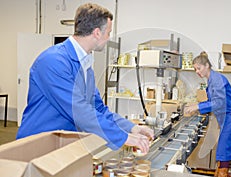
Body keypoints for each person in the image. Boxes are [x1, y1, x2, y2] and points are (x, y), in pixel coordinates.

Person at [17, 3, 153, 153]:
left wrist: (132, 128)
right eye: (108, 33)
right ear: (96, 33)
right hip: (37, 146)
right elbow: (80, 111)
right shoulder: (53, 61)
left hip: (63, 145)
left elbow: (97, 108)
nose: (109, 38)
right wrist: (124, 137)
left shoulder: (85, 65)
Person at [185, 52, 231, 177]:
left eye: (199, 68)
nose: (197, 72)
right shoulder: (211, 79)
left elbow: (218, 103)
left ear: (207, 65)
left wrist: (198, 107)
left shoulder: (217, 79)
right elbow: (213, 101)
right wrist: (197, 104)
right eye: (195, 69)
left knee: (224, 150)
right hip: (225, 117)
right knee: (224, 149)